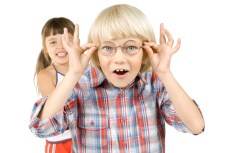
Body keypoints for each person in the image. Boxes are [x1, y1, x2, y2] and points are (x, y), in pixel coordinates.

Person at [30, 4, 205, 153]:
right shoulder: (79, 86)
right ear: (95, 53)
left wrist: (165, 74)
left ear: (145, 52)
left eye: (130, 47)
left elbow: (196, 126)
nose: (119, 58)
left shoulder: (155, 83)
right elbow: (41, 128)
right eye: (108, 48)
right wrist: (73, 73)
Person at [34, 17, 75, 153]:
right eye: (53, 42)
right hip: (61, 143)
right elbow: (56, 112)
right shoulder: (46, 75)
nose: (60, 47)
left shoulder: (87, 68)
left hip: (88, 138)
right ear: (46, 49)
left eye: (66, 40)